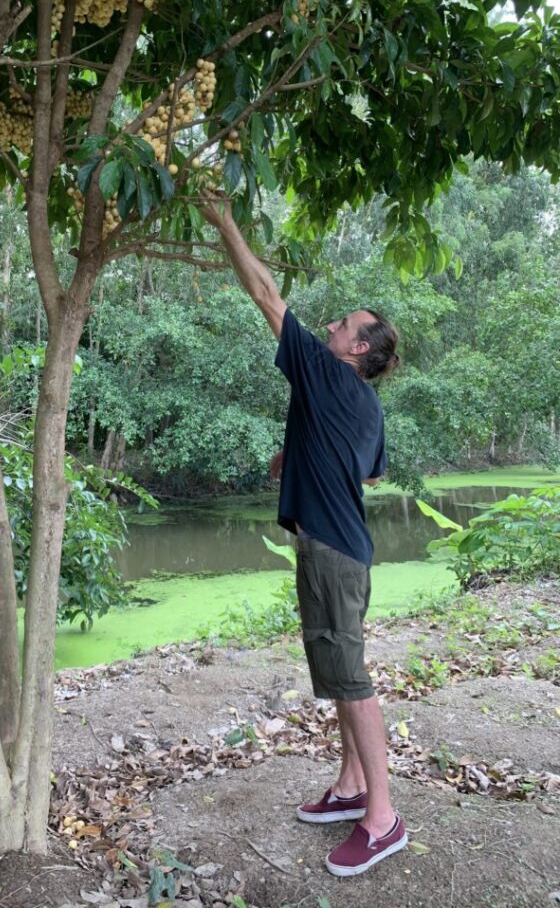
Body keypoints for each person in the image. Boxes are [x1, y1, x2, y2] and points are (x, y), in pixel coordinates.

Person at [198, 193, 403, 878]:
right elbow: (368, 473)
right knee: (341, 676)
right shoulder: (363, 406)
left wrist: (224, 219)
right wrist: (302, 453)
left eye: (344, 324)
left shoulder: (324, 371)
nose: (333, 326)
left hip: (335, 555)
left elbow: (265, 291)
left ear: (358, 348)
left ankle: (383, 818)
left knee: (352, 682)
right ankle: (350, 788)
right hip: (345, 550)